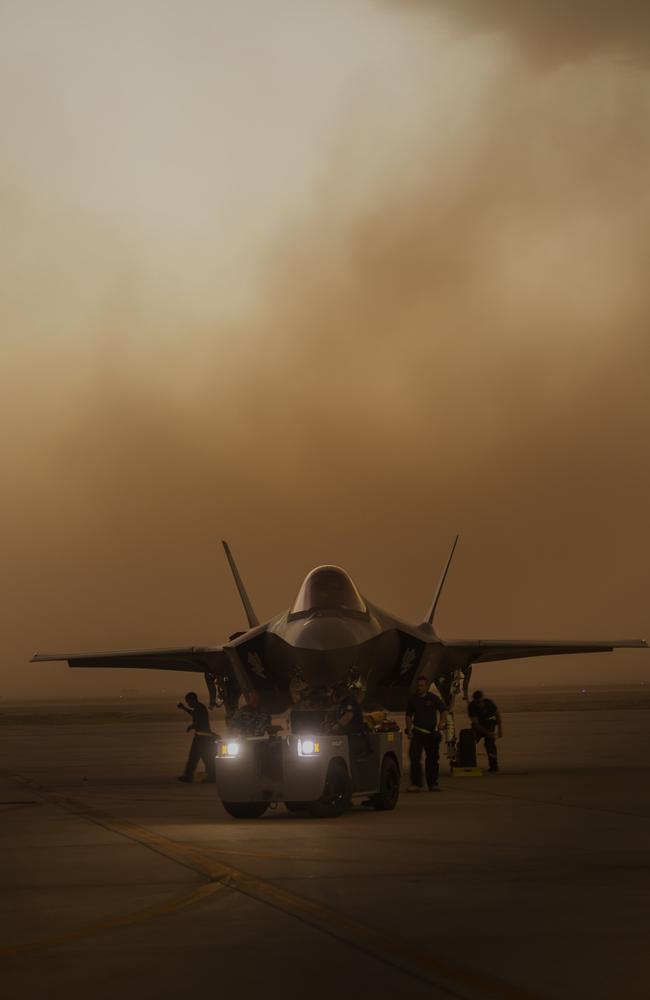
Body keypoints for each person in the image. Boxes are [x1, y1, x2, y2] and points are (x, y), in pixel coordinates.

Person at [405, 676, 447, 791]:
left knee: (432, 759)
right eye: (418, 686)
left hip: (431, 733)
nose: (419, 688)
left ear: (426, 687)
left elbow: (443, 710)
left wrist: (441, 724)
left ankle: (433, 784)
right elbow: (408, 715)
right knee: (414, 758)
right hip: (418, 732)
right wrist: (409, 730)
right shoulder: (413, 699)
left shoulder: (433, 698)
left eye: (421, 686)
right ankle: (416, 784)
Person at [177, 692, 217, 783]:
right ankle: (212, 776)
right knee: (207, 758)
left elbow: (199, 721)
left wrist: (191, 726)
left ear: (192, 700)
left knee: (194, 757)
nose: (188, 704)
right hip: (205, 738)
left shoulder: (199, 708)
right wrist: (184, 708)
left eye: (188, 702)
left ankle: (188, 776)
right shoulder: (199, 707)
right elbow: (194, 714)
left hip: (201, 738)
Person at [468, 690, 502, 772]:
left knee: (490, 745)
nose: (479, 704)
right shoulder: (472, 706)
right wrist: (487, 732)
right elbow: (475, 723)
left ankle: (494, 767)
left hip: (490, 724)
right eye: (477, 702)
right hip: (478, 727)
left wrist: (500, 729)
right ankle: (468, 763)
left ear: (483, 700)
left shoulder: (489, 703)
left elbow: (497, 715)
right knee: (469, 743)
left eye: (480, 702)